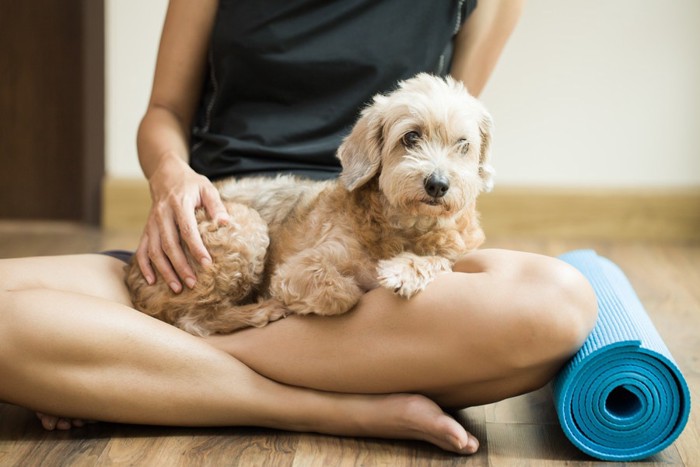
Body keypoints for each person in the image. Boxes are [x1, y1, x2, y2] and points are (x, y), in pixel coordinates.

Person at [0, 0, 597, 455]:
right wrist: (170, 177)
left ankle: (146, 369)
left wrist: (77, 372)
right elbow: (164, 113)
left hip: (382, 233)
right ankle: (326, 407)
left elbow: (452, 133)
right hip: (219, 229)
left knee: (557, 303)